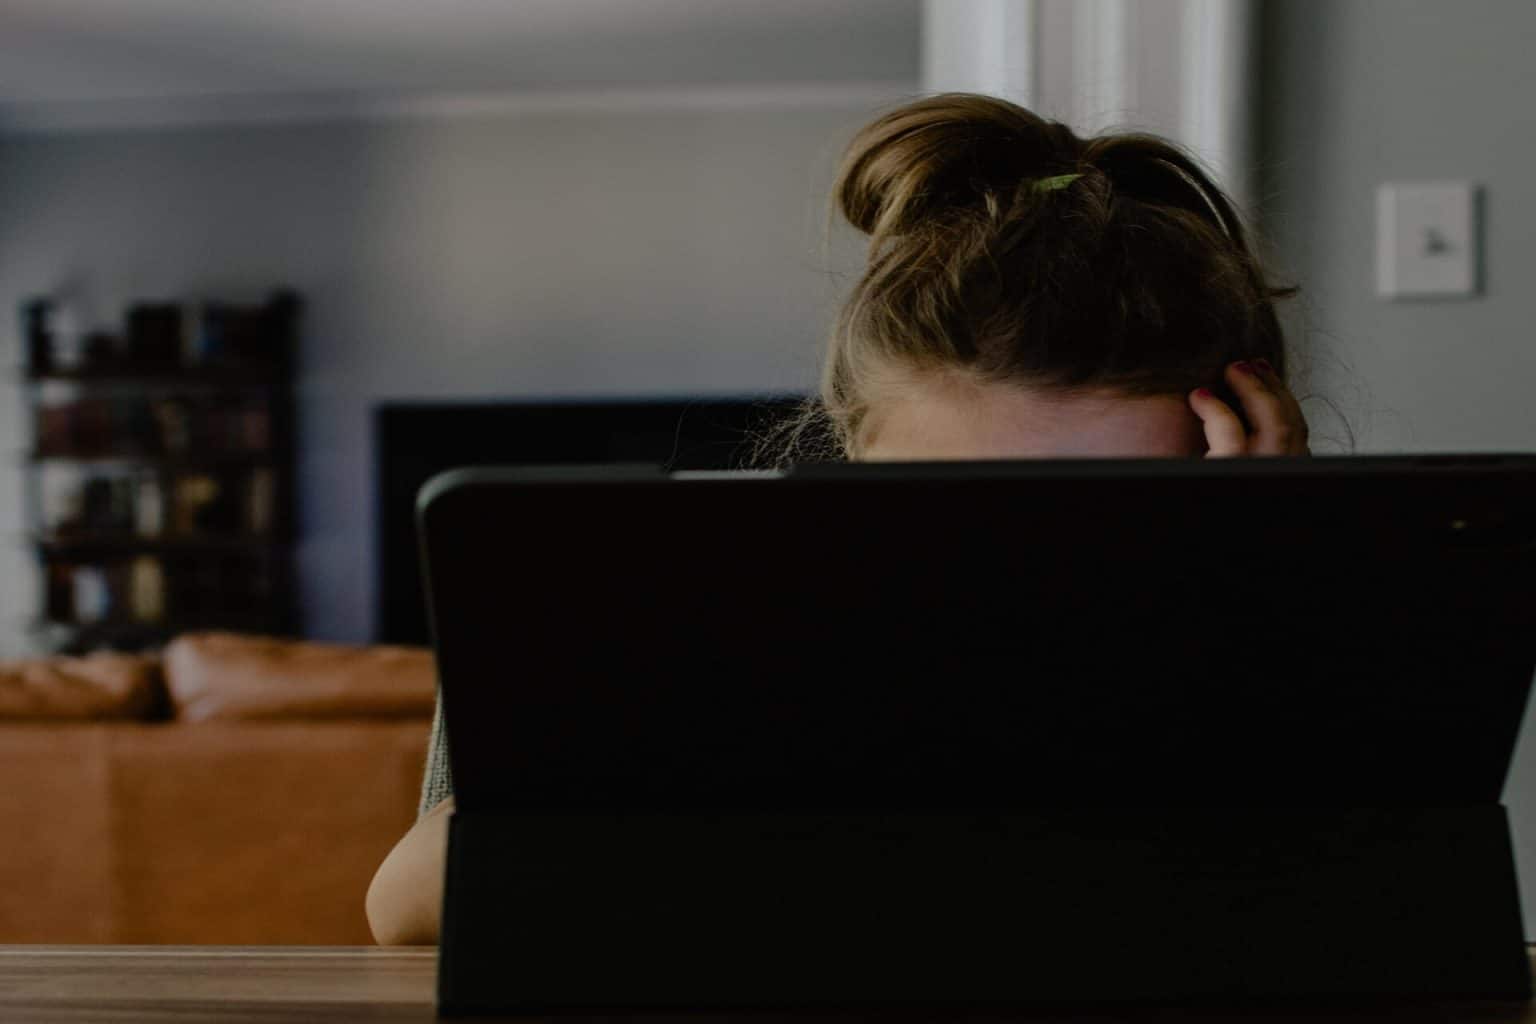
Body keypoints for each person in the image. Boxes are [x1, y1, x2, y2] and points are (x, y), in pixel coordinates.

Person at [364, 92, 1311, 945]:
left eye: (1111, 513)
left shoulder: (1279, 625)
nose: (1012, 566)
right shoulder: (713, 616)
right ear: (854, 454)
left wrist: (1247, 582)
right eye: (948, 508)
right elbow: (403, 906)